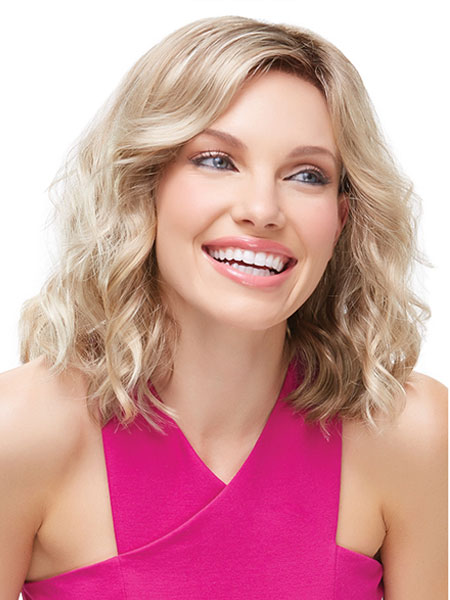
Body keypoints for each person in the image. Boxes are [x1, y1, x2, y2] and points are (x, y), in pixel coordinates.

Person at [0, 15, 446, 600]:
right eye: (217, 160)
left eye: (307, 175)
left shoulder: (408, 431)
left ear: (342, 218)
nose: (262, 210)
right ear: (144, 184)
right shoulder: (21, 431)